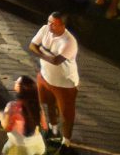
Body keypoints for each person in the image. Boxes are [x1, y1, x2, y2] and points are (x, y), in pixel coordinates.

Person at [30, 11, 78, 143]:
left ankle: (66, 142)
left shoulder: (69, 42)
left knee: (66, 115)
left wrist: (41, 53)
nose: (49, 26)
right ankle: (53, 130)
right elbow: (32, 45)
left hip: (64, 84)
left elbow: (56, 61)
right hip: (45, 77)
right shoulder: (45, 29)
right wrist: (46, 56)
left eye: (54, 24)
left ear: (63, 25)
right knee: (49, 104)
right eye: (48, 22)